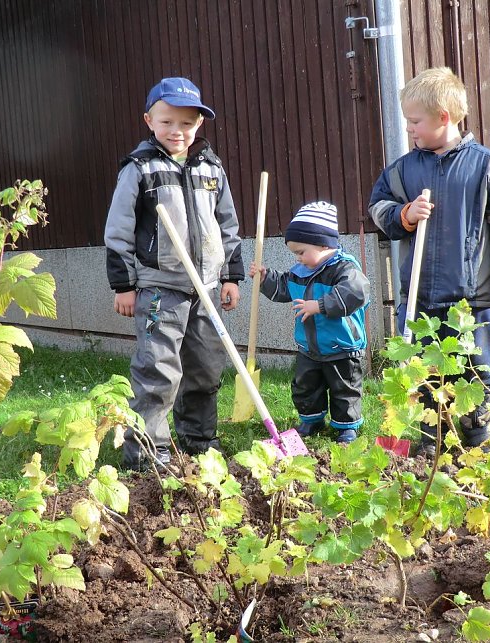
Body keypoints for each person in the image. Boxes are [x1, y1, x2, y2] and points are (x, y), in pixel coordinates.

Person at [368, 66, 490, 455]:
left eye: (415, 121)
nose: (410, 130)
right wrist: (403, 214)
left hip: (473, 301)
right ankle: (431, 442)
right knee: (424, 373)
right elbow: (377, 208)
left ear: (444, 117)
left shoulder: (487, 166)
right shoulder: (404, 169)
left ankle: (476, 440)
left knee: (474, 371)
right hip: (420, 297)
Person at [104, 77, 244, 471]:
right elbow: (117, 230)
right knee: (158, 370)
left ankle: (199, 437)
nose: (176, 131)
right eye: (167, 122)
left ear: (199, 123)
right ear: (149, 120)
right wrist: (123, 285)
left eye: (186, 123)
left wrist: (231, 276)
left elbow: (227, 223)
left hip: (206, 288)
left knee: (204, 367)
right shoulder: (139, 169)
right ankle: (150, 448)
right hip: (159, 288)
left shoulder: (210, 168)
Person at [249, 201, 370, 444]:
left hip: (342, 347)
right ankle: (311, 419)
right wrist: (265, 279)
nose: (298, 258)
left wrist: (321, 305)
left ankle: (346, 427)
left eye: (301, 252)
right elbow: (284, 287)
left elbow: (357, 292)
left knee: (344, 389)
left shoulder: (344, 268)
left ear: (323, 244)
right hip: (309, 347)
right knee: (306, 386)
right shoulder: (299, 271)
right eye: (295, 253)